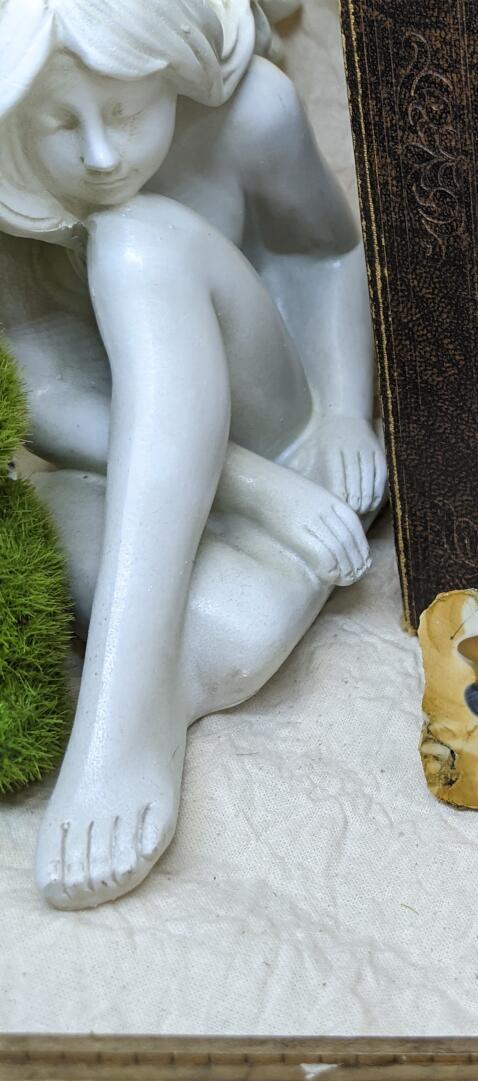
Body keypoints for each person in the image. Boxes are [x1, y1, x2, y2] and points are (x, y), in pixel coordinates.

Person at [0, 0, 386, 908]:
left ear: (168, 58)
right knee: (238, 627)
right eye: (60, 124)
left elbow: (326, 254)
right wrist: (261, 497)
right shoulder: (7, 182)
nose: (102, 154)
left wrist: (340, 418)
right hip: (136, 468)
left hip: (273, 421)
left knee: (136, 239)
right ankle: (159, 681)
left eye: (124, 110)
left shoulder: (252, 111)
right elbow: (45, 394)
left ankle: (124, 720)